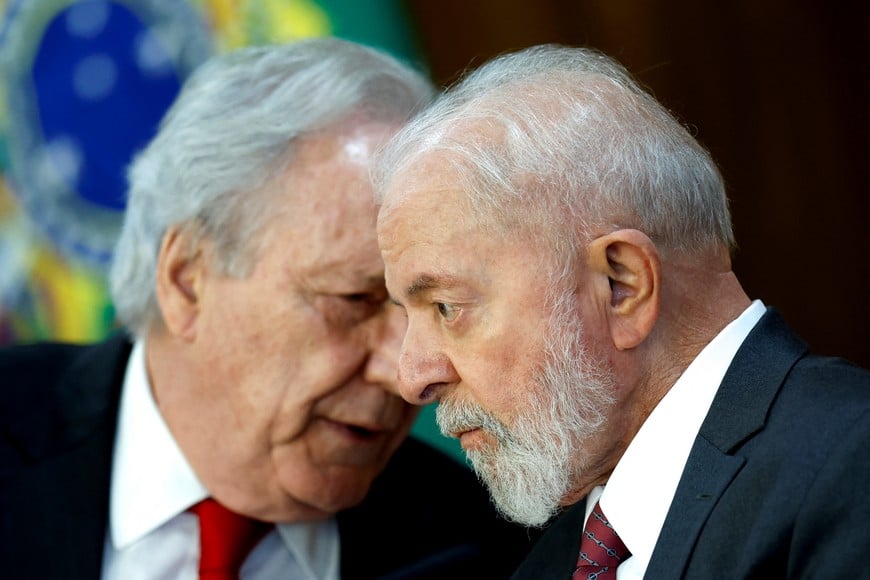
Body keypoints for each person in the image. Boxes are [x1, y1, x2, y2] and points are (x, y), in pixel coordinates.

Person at [0, 38, 536, 579]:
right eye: (354, 300)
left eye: (436, 308)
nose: (407, 372)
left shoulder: (494, 555)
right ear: (187, 279)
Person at [374, 44, 870, 579]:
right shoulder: (545, 563)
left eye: (447, 307)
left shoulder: (851, 464)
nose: (411, 377)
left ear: (621, 286)